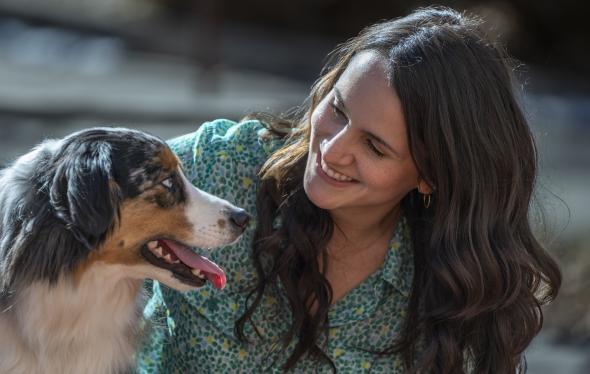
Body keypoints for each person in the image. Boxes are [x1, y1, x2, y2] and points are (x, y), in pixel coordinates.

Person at [137, 6, 561, 373]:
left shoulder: (455, 298)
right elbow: (81, 192)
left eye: (374, 146)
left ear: (430, 175)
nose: (332, 149)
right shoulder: (222, 167)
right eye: (338, 109)